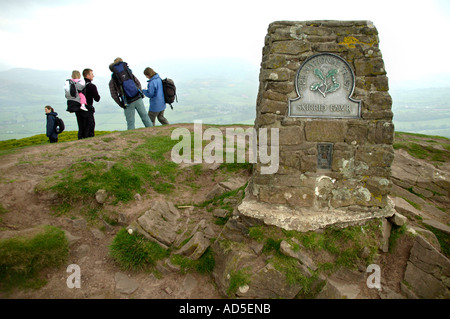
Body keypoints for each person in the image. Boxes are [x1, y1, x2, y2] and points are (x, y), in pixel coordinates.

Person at [108, 58, 153, 130]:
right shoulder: (129, 73)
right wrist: (139, 94)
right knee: (145, 117)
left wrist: (121, 104)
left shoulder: (112, 81)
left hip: (127, 102)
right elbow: (138, 83)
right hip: (138, 98)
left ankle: (132, 139)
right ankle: (152, 132)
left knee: (130, 122)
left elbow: (114, 95)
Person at [82, 68, 100, 138]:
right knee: (90, 127)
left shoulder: (80, 85)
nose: (93, 76)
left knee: (82, 127)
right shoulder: (91, 86)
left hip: (80, 109)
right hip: (88, 108)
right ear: (87, 75)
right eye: (92, 74)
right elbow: (97, 98)